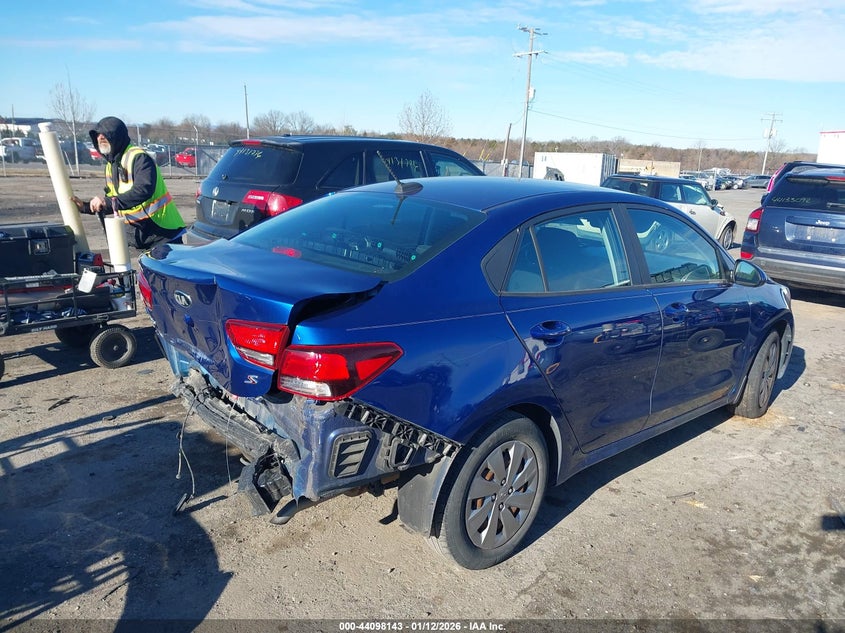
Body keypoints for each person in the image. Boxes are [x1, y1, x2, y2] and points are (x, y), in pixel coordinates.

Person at [72, 116, 185, 252]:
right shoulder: (111, 166)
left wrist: (107, 202)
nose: (100, 138)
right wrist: (86, 207)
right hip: (143, 236)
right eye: (98, 135)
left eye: (105, 135)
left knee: (167, 273)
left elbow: (143, 190)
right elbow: (115, 201)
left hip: (163, 233)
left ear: (117, 137)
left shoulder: (139, 158)